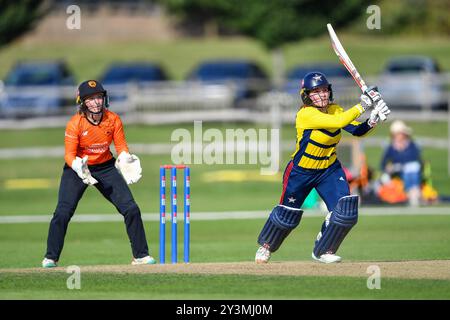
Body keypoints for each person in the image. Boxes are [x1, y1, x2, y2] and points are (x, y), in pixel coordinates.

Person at [255, 72, 390, 264]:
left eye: (324, 90)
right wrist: (364, 104)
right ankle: (266, 246)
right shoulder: (306, 114)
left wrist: (373, 120)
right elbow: (338, 122)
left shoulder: (335, 109)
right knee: (288, 214)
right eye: (316, 91)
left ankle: (324, 249)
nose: (322, 95)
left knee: (346, 210)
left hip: (329, 169)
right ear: (307, 95)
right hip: (301, 171)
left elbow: (356, 130)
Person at [42, 80, 156, 268]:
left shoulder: (113, 119)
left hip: (105, 167)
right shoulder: (75, 124)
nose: (96, 102)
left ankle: (141, 256)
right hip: (77, 168)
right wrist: (78, 166)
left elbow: (120, 146)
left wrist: (125, 158)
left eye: (99, 97)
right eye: (91, 99)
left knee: (131, 208)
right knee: (63, 212)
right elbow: (69, 155)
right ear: (82, 102)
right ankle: (50, 257)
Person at [380, 120, 422, 206]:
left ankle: (413, 192)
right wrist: (388, 167)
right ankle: (412, 193)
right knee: (406, 171)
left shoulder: (411, 145)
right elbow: (383, 163)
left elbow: (415, 158)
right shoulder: (391, 147)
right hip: (397, 170)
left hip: (411, 169)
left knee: (411, 170)